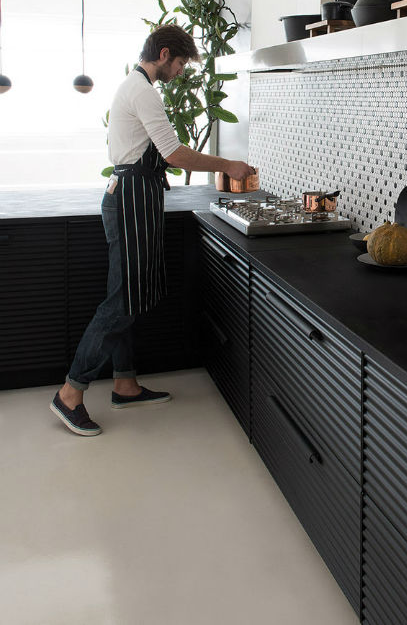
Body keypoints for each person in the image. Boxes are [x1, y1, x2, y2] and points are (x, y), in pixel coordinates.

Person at [51, 24, 255, 436]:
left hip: (133, 195)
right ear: (164, 54)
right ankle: (69, 394)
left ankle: (124, 383)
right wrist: (228, 165)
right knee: (122, 299)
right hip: (130, 198)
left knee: (126, 294)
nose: (180, 71)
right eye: (180, 63)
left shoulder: (136, 85)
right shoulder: (142, 91)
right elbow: (174, 153)